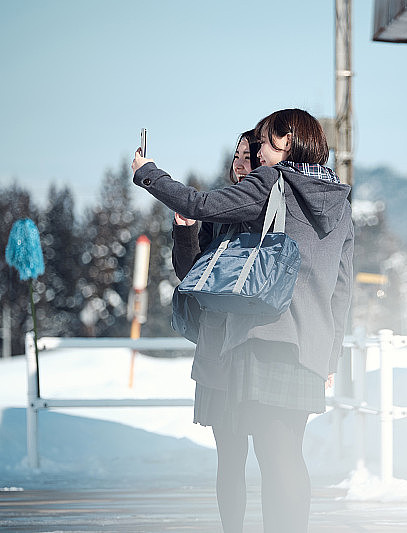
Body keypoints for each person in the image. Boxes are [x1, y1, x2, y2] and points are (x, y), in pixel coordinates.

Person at [132, 109, 354, 533]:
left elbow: (200, 204)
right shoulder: (341, 201)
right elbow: (342, 290)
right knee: (288, 457)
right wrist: (330, 356)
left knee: (274, 461)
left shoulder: (274, 182)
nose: (259, 152)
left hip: (264, 336)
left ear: (288, 142)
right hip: (308, 347)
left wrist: (148, 173)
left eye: (266, 141)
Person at [171, 129, 262, 533]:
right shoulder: (217, 210)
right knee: (230, 456)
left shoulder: (273, 208)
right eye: (237, 156)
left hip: (255, 346)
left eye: (249, 156)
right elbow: (189, 274)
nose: (241, 163)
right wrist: (187, 228)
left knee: (271, 451)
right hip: (217, 346)